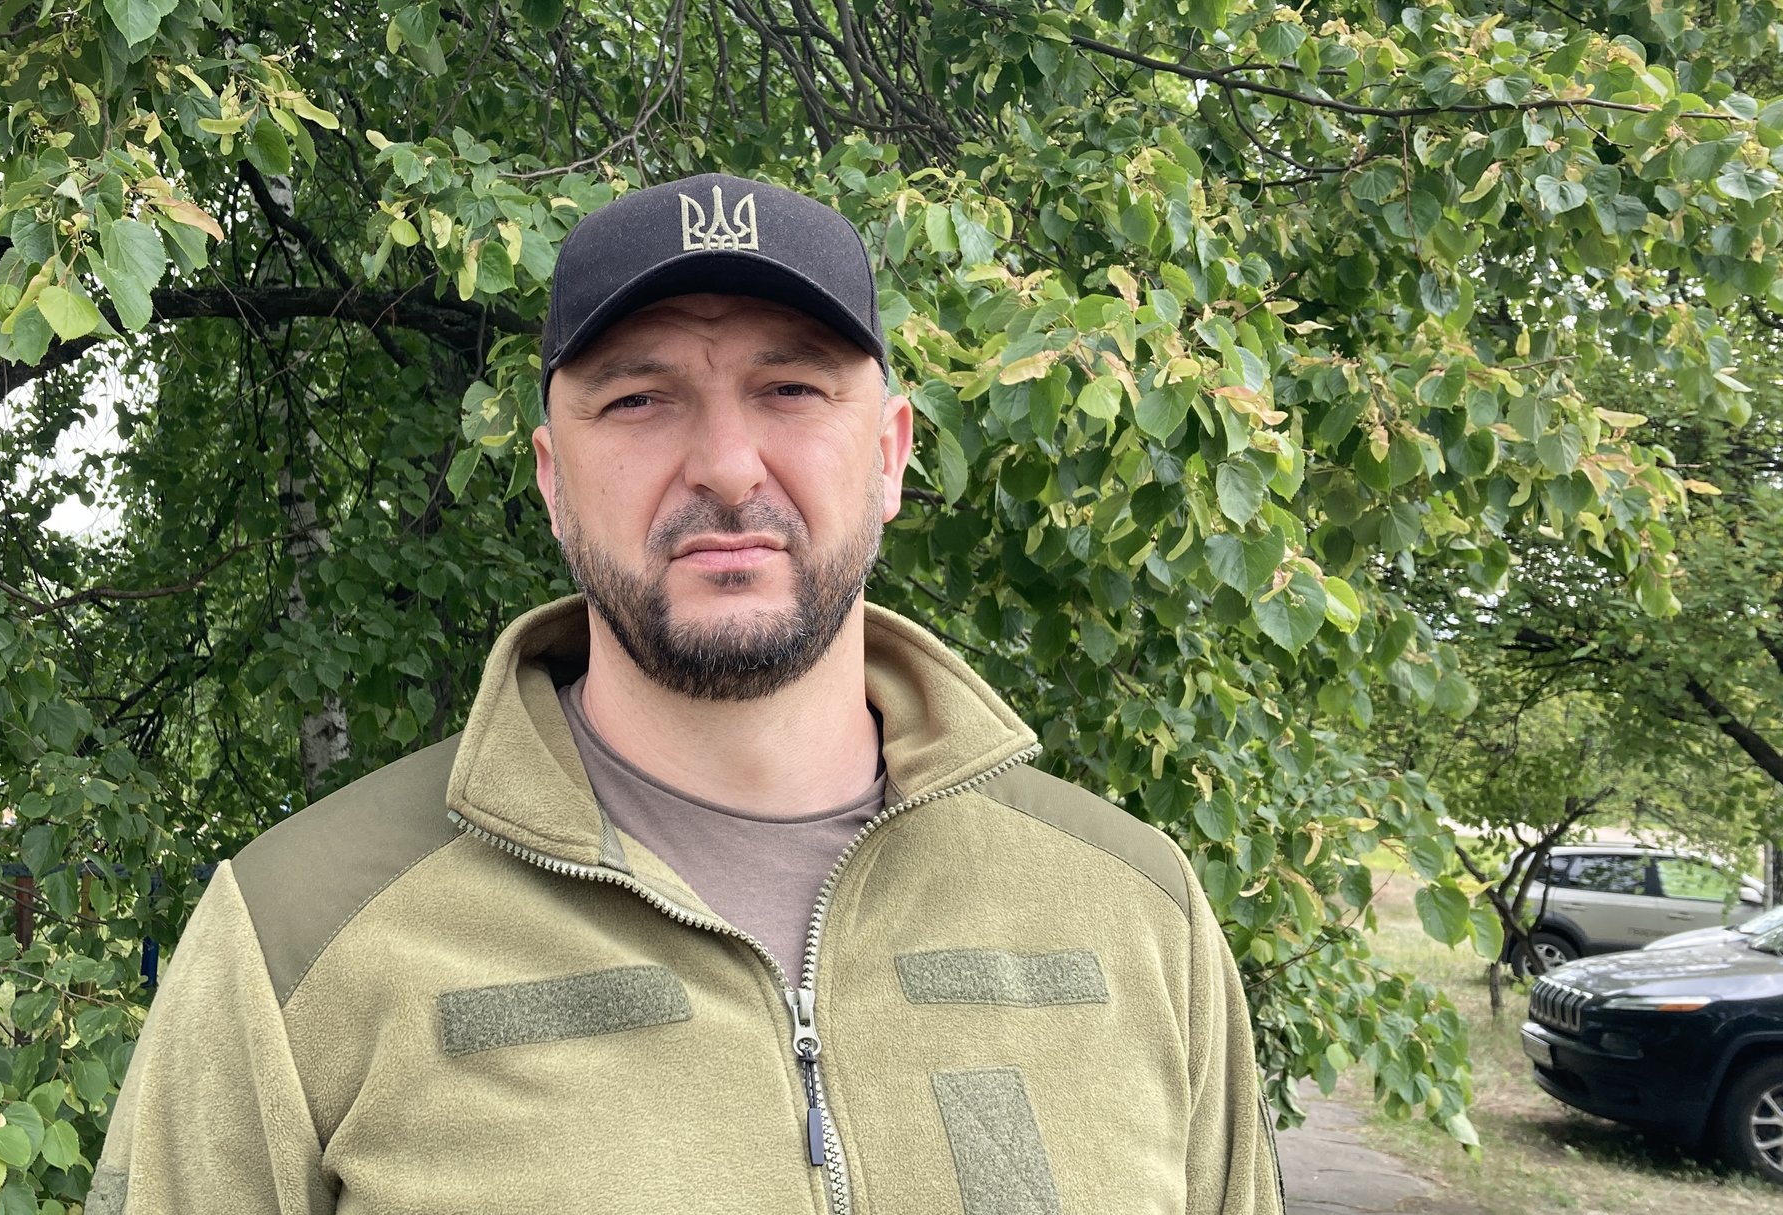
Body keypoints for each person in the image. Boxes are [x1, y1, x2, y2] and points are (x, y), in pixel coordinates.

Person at [91, 172, 1284, 1214]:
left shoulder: (1138, 916)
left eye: (792, 389)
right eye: (638, 400)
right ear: (554, 482)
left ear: (889, 455)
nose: (723, 466)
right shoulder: (299, 942)